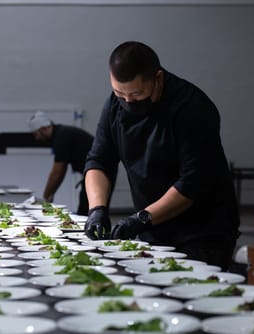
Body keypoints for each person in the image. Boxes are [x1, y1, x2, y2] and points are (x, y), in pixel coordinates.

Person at [84, 41, 240, 270]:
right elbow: (99, 160)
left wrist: (141, 218)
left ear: (158, 78)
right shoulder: (114, 105)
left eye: (137, 94)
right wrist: (97, 209)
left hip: (202, 233)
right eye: (120, 93)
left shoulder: (192, 107)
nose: (128, 102)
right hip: (153, 228)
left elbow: (192, 183)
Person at [28, 111, 94, 215]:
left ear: (43, 129)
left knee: (89, 212)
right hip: (95, 173)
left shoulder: (61, 136)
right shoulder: (61, 133)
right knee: (87, 210)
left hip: (101, 172)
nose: (37, 138)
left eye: (36, 134)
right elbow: (59, 172)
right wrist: (50, 194)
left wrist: (46, 197)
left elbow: (58, 172)